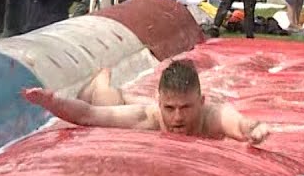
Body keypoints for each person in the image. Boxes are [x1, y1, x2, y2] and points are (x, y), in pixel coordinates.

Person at [22, 60, 270, 143]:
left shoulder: (211, 116)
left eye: (186, 108)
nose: (177, 118)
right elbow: (90, 115)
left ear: (202, 101)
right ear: (159, 102)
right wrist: (51, 101)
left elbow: (239, 124)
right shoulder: (152, 116)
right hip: (138, 106)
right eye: (170, 109)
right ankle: (101, 82)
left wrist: (254, 130)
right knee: (108, 102)